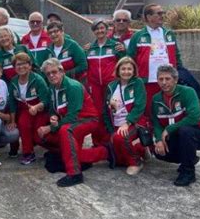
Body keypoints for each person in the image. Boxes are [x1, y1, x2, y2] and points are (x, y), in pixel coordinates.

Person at [36, 59, 112, 187]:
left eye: (54, 72)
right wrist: (53, 117)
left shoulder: (73, 86)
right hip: (70, 121)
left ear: (61, 71)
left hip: (86, 119)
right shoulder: (52, 88)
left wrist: (51, 127)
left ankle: (75, 174)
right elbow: (52, 109)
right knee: (43, 136)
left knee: (65, 131)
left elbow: (73, 115)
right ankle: (105, 152)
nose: (51, 76)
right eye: (48, 74)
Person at [151, 65, 200, 186]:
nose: (164, 82)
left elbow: (194, 117)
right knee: (158, 152)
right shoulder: (156, 99)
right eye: (160, 79)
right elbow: (156, 123)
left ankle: (188, 172)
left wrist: (169, 128)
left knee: (185, 131)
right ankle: (189, 158)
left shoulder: (188, 92)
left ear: (175, 80)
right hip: (176, 135)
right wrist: (158, 140)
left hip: (199, 134)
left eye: (168, 79)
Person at [128, 3, 183, 113]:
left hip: (169, 79)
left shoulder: (169, 33)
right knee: (150, 109)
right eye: (159, 13)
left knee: (170, 107)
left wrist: (179, 73)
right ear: (149, 17)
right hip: (148, 80)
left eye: (162, 13)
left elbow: (177, 55)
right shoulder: (137, 36)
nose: (162, 15)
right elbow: (130, 58)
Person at [103, 57, 147, 175]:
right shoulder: (111, 86)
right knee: (116, 158)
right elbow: (106, 110)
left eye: (129, 69)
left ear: (134, 71)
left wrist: (127, 123)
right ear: (118, 70)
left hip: (134, 122)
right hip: (116, 124)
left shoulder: (137, 83)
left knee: (120, 137)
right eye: (123, 69)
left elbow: (139, 106)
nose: (126, 72)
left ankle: (136, 162)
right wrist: (111, 130)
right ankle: (140, 150)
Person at [86, 19, 125, 140]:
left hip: (111, 84)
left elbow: (124, 62)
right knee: (97, 112)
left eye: (102, 28)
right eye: (97, 29)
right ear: (94, 31)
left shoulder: (115, 45)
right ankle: (97, 141)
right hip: (95, 85)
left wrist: (124, 51)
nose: (100, 31)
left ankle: (113, 139)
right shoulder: (89, 48)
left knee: (112, 110)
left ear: (107, 29)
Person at [8, 52, 50, 165]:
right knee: (23, 123)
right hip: (25, 110)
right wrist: (12, 120)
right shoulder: (13, 81)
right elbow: (12, 102)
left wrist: (36, 107)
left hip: (40, 110)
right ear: (14, 67)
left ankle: (55, 149)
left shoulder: (38, 80)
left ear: (30, 65)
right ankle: (28, 153)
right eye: (18, 65)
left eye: (24, 64)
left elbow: (46, 101)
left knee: (38, 136)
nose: (21, 67)